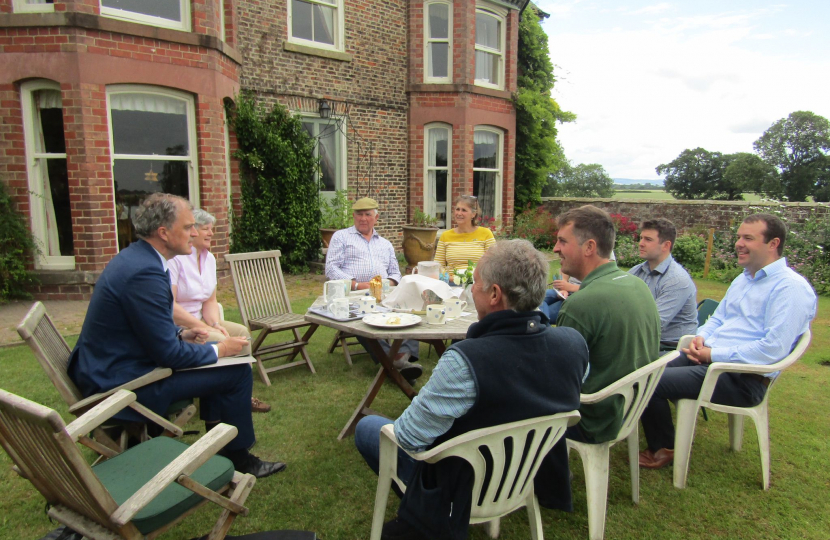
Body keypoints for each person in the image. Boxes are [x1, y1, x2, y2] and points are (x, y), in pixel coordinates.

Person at [354, 239, 589, 540]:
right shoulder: (573, 345)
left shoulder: (466, 361)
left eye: (474, 284)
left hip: (464, 488)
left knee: (370, 427)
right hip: (524, 473)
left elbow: (408, 437)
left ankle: (425, 515)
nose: (470, 291)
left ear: (494, 294)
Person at [68, 193, 285, 478]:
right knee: (237, 371)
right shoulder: (144, 273)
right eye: (187, 228)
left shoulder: (135, 259)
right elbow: (168, 355)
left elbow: (143, 326)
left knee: (221, 367)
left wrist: (181, 333)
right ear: (163, 233)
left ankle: (223, 449)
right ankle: (238, 459)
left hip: (111, 366)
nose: (194, 233)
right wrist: (222, 350)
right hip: (122, 383)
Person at [639, 213, 817, 469]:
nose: (738, 243)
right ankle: (661, 441)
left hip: (742, 379)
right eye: (738, 237)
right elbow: (718, 318)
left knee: (650, 381)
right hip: (711, 364)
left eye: (748, 238)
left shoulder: (791, 288)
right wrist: (702, 337)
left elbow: (772, 349)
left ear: (773, 243)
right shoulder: (744, 278)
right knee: (644, 369)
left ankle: (664, 449)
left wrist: (712, 355)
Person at [553, 205, 661, 444]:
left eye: (562, 241)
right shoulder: (636, 284)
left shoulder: (581, 303)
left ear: (589, 247)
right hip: (630, 409)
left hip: (594, 419)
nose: (555, 248)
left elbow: (556, 379)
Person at [167, 208, 271, 413]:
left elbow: (210, 300)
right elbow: (170, 306)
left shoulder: (210, 259)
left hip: (203, 320)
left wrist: (215, 323)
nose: (211, 234)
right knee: (221, 339)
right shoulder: (176, 260)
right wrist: (204, 327)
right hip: (180, 327)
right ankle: (222, 393)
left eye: (211, 229)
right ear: (193, 231)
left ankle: (242, 392)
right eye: (206, 229)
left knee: (241, 332)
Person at [325, 197, 422, 380]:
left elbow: (395, 273)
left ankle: (399, 358)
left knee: (411, 311)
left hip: (384, 295)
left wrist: (387, 284)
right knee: (363, 319)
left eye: (367, 214)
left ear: (375, 217)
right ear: (353, 216)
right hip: (354, 294)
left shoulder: (385, 244)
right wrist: (357, 284)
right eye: (359, 214)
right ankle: (397, 361)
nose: (363, 218)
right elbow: (331, 268)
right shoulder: (342, 237)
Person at [628, 218, 698, 348]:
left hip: (669, 348)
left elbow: (651, 325)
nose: (641, 243)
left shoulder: (676, 280)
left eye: (648, 240)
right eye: (641, 238)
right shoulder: (637, 271)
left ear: (666, 245)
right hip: (644, 341)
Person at [432, 195, 495, 272]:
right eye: (457, 209)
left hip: (477, 282)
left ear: (473, 214)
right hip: (451, 282)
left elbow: (493, 264)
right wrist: (448, 278)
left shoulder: (486, 234)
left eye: (464, 210)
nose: (459, 213)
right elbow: (438, 265)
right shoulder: (446, 236)